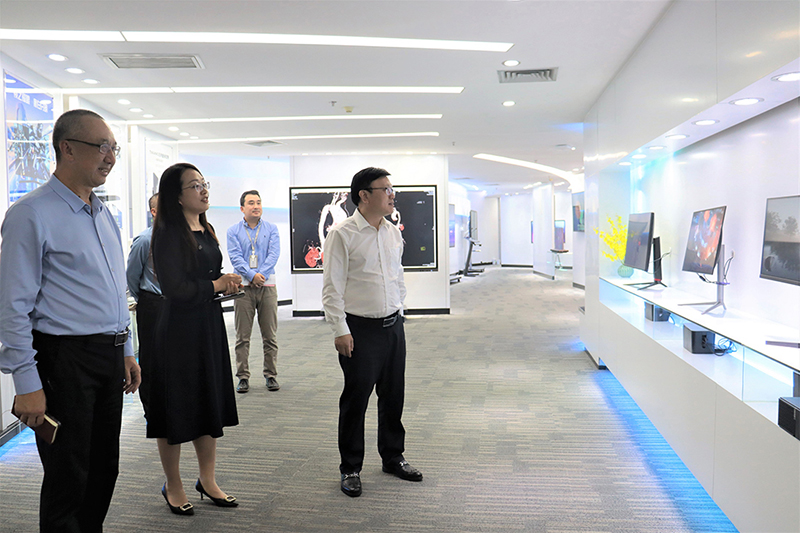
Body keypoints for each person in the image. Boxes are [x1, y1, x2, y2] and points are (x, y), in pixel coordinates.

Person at [0, 108, 141, 531]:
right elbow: (12, 307)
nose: (110, 157)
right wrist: (26, 384)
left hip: (107, 357)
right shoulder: (31, 213)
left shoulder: (102, 213)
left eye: (114, 148)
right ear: (67, 148)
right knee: (69, 477)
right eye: (102, 147)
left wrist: (126, 350)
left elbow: (113, 289)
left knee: (103, 470)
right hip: (64, 361)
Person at [322, 167, 423, 498]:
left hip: (393, 327)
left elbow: (397, 275)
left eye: (392, 189)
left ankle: (393, 457)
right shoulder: (343, 234)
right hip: (359, 331)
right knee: (356, 400)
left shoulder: (391, 231)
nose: (392, 195)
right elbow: (332, 287)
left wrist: (400, 309)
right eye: (386, 190)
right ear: (364, 195)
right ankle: (350, 467)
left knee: (393, 396)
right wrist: (340, 329)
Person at [148, 162, 241, 515]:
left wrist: (225, 283)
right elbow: (175, 288)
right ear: (176, 195)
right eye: (194, 185)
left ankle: (208, 480)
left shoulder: (206, 228)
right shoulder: (168, 233)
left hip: (208, 326)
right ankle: (173, 484)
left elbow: (207, 276)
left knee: (208, 402)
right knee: (174, 408)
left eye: (204, 184)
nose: (203, 191)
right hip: (178, 332)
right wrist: (216, 285)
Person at [227, 190, 281, 393]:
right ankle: (243, 377)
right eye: (251, 203)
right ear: (242, 208)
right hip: (243, 288)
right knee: (242, 337)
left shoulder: (271, 229)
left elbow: (274, 254)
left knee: (270, 336)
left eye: (258, 202)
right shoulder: (233, 231)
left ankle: (271, 375)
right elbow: (235, 257)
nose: (256, 206)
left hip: (267, 287)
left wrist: (261, 275)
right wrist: (251, 275)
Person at [126, 193, 161, 420]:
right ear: (153, 212)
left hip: (177, 305)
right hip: (153, 305)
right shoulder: (144, 240)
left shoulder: (181, 238)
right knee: (151, 359)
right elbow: (132, 276)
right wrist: (146, 299)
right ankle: (152, 411)